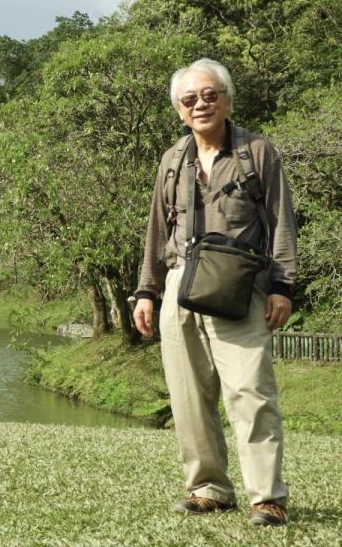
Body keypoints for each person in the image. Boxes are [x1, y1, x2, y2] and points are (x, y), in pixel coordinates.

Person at [133, 58, 298, 527]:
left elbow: (282, 222)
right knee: (187, 395)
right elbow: (155, 231)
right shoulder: (172, 159)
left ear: (226, 99)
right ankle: (208, 488)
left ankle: (266, 497)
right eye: (190, 99)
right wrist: (147, 291)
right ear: (179, 110)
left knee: (250, 391)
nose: (200, 104)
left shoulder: (257, 151)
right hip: (180, 283)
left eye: (209, 95)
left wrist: (282, 286)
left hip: (241, 284)